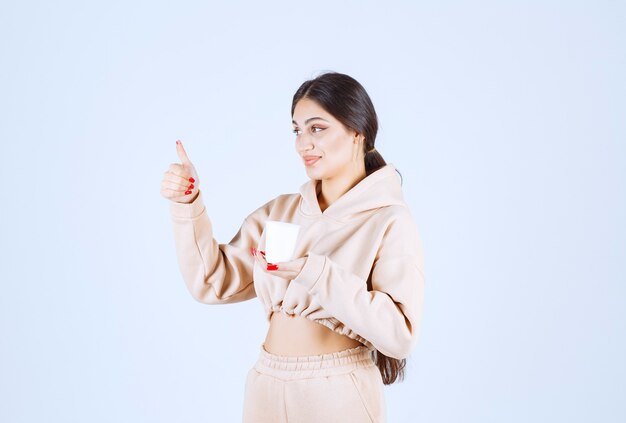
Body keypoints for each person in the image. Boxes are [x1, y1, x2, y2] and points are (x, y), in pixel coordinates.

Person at [160, 71, 425, 423]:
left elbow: (399, 335)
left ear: (357, 132)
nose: (303, 144)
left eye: (317, 128)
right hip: (266, 386)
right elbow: (212, 282)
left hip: (338, 394)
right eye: (297, 130)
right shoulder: (281, 212)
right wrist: (188, 203)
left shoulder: (388, 220)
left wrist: (315, 273)